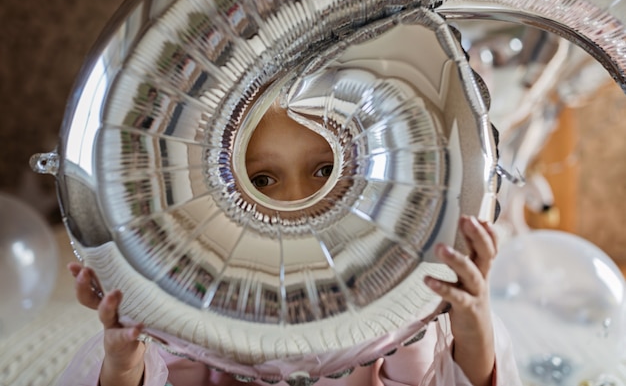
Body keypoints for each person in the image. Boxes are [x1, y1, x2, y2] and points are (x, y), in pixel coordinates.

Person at [58, 106, 523, 386]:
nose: (299, 198)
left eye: (324, 170)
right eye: (263, 179)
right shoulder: (206, 306)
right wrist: (125, 355)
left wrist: (471, 321)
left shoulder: (392, 299)